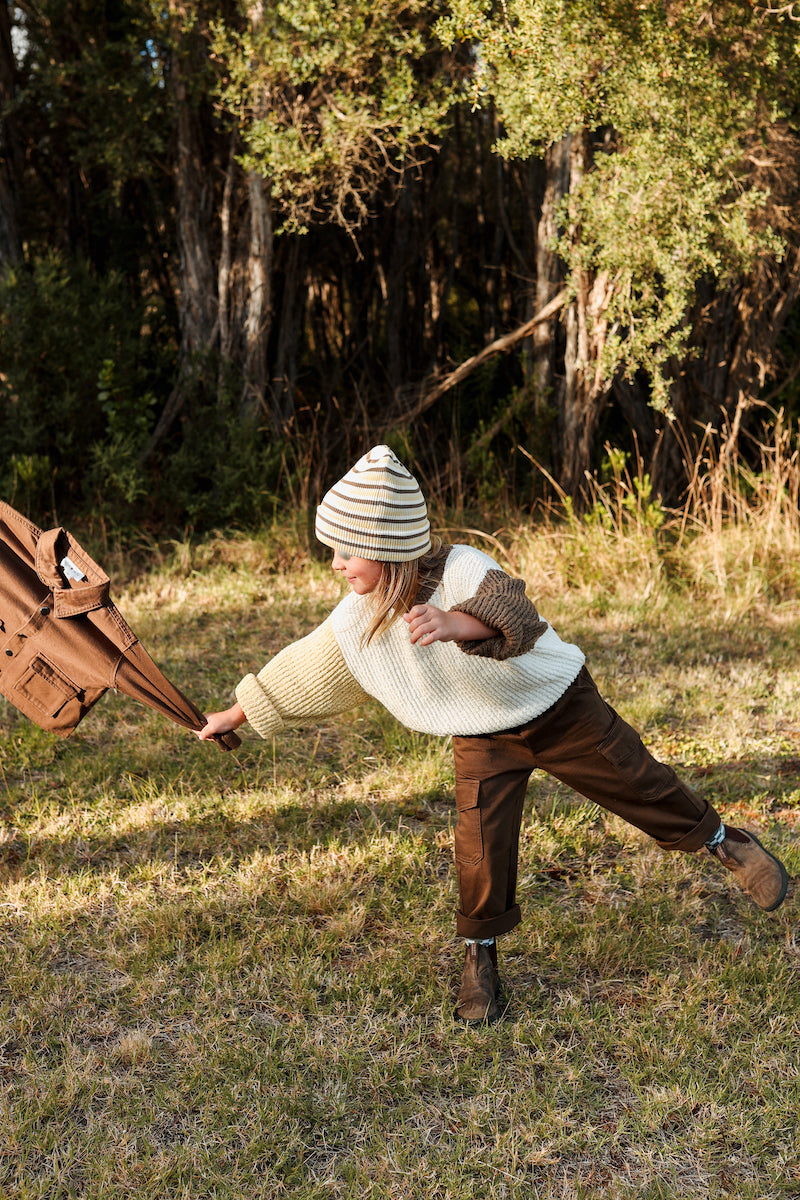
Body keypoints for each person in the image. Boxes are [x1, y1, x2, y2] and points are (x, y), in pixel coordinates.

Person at [198, 445, 790, 1024]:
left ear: (385, 543)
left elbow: (514, 609)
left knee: (638, 780)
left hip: (557, 707)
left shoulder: (462, 566)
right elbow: (308, 666)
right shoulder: (358, 617)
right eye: (334, 550)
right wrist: (238, 712)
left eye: (347, 550)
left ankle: (724, 842)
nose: (336, 563)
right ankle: (479, 958)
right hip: (482, 734)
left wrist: (455, 622)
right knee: (478, 846)